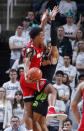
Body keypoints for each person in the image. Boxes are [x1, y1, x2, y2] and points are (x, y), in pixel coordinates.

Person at [20, 7, 59, 131]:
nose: (43, 36)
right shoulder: (31, 49)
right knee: (52, 90)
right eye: (41, 36)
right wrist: (27, 75)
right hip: (30, 78)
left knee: (29, 110)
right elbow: (26, 63)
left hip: (28, 79)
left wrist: (43, 21)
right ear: (36, 37)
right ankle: (52, 110)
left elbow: (41, 31)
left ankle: (30, 129)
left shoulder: (39, 46)